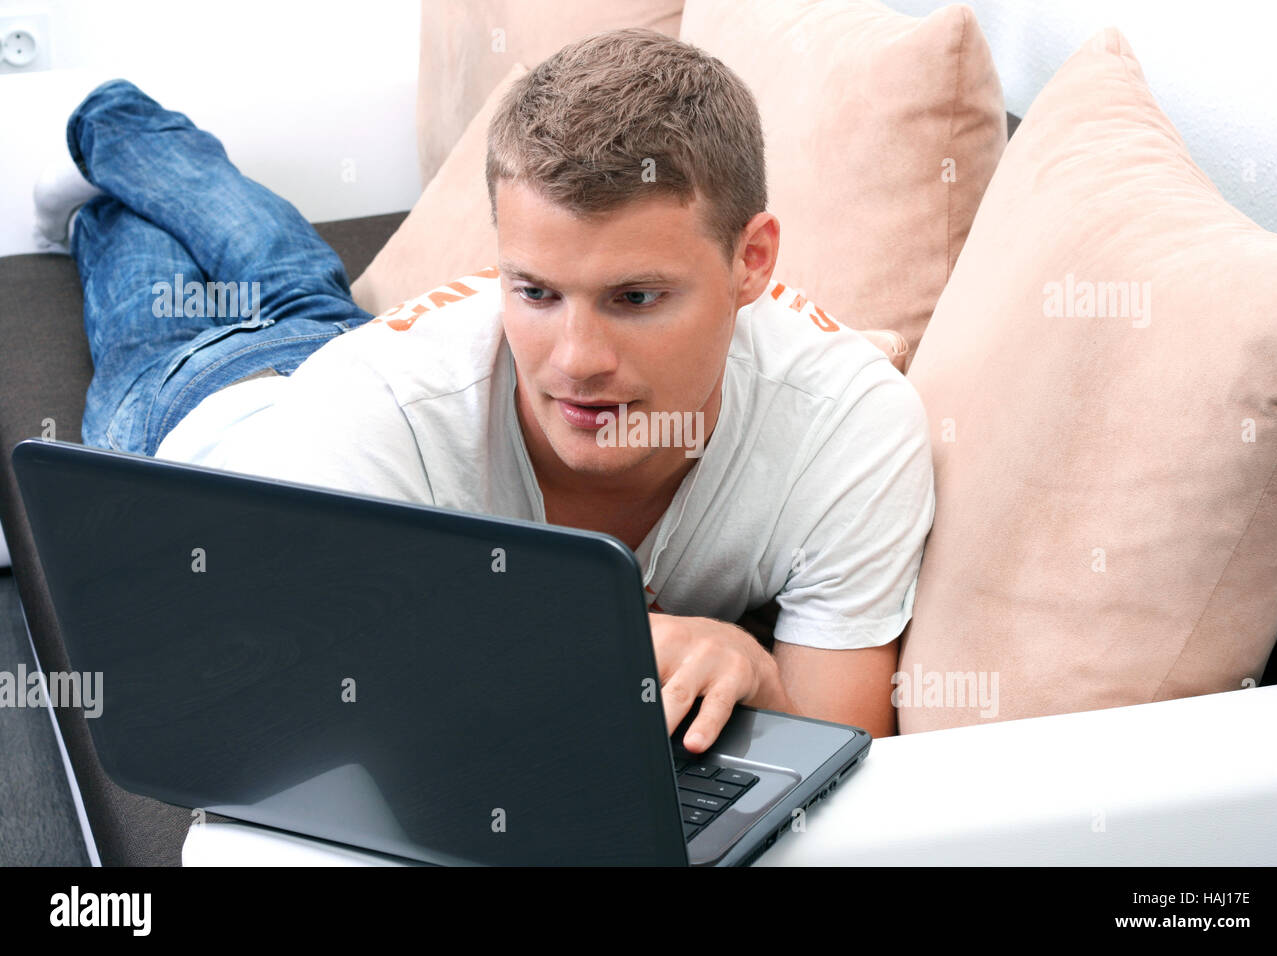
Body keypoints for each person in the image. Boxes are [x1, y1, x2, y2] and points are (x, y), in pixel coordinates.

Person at [38, 28, 935, 750]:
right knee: (155, 295)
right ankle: (118, 138)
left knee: (295, 278)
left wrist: (755, 666)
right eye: (535, 292)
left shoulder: (851, 426)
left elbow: (847, 749)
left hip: (343, 351)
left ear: (753, 261)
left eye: (634, 297)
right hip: (206, 406)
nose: (575, 360)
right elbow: (285, 708)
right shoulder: (371, 412)